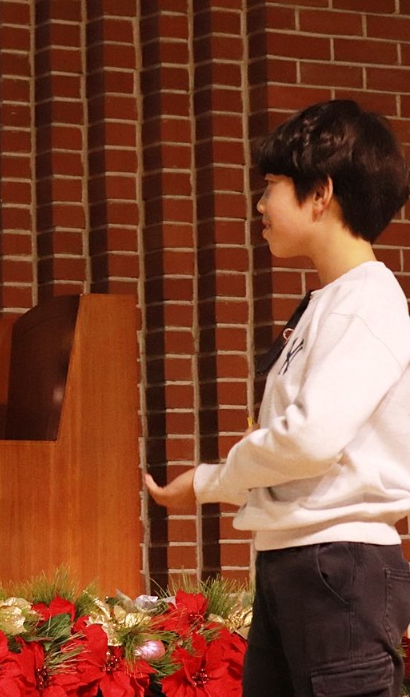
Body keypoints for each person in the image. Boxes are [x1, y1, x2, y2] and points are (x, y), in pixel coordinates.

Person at [145, 99, 410, 696]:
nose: (261, 205)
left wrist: (211, 480)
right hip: (300, 561)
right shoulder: (329, 302)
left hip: (338, 566)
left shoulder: (367, 300)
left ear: (321, 193)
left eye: (272, 186)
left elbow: (309, 440)